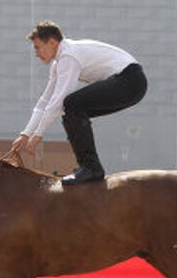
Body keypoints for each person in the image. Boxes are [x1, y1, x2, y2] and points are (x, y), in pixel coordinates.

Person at [11, 21, 147, 185]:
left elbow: (57, 102)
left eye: (38, 47)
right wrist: (25, 134)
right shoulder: (59, 62)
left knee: (71, 104)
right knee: (72, 109)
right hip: (130, 83)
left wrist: (38, 135)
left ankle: (91, 167)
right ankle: (88, 166)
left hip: (130, 81)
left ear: (53, 42)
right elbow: (44, 101)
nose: (36, 54)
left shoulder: (68, 56)